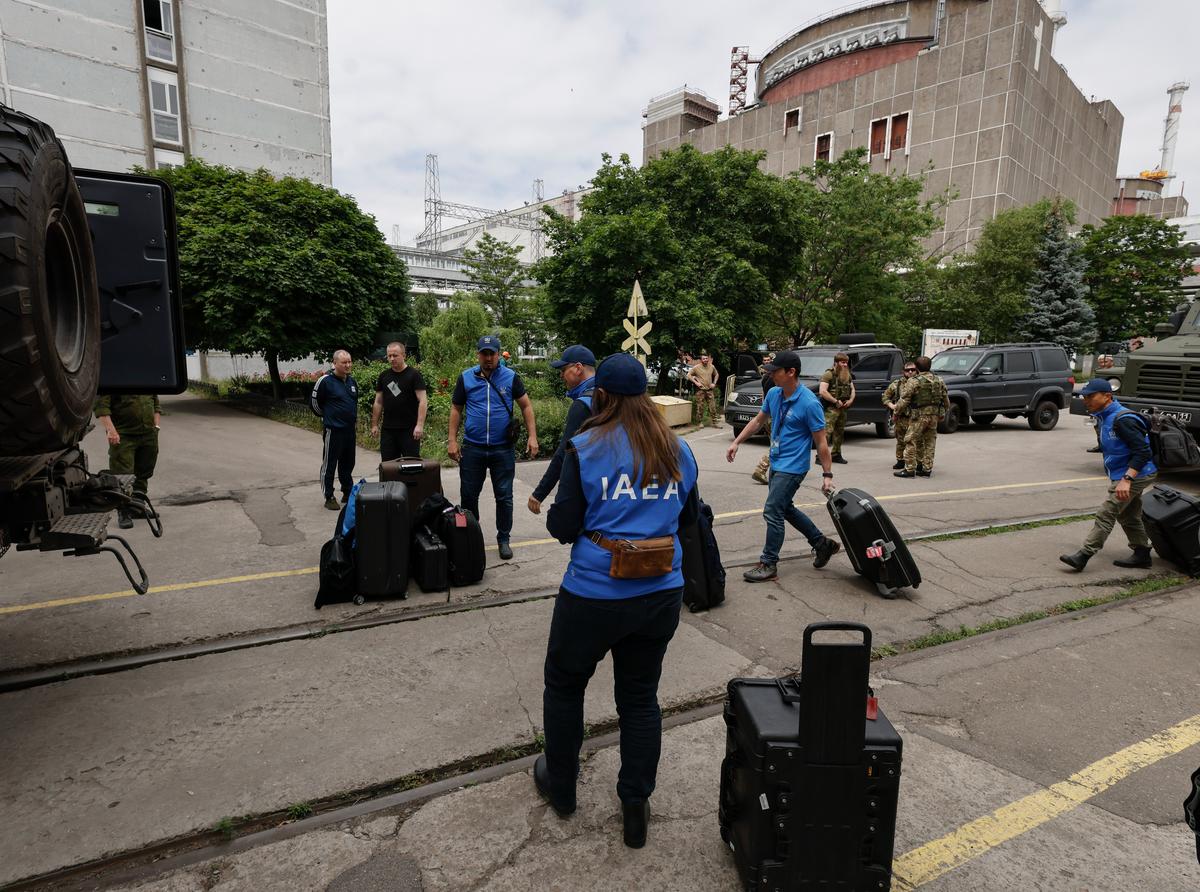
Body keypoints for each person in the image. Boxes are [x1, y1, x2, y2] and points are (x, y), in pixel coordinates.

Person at [537, 352, 699, 849]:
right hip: (660, 594)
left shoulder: (584, 445)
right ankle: (635, 802)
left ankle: (561, 788)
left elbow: (562, 526)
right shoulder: (678, 449)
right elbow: (689, 522)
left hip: (593, 594)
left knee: (565, 687)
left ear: (600, 394)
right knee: (639, 698)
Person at [727, 350, 840, 582]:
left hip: (794, 467)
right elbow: (759, 420)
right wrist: (737, 442)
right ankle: (822, 544)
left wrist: (827, 473)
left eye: (775, 371)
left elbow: (821, 442)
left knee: (772, 510)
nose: (771, 375)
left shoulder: (810, 403)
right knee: (784, 508)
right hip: (777, 461)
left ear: (791, 372)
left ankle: (769, 563)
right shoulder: (775, 394)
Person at [448, 335, 539, 560]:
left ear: (499, 354)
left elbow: (526, 406)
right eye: (484, 353)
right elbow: (456, 409)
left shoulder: (511, 377)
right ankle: (472, 537)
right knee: (468, 496)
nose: (488, 358)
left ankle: (504, 539)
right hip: (473, 448)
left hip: (502, 449)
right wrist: (452, 440)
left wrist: (532, 436)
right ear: (478, 354)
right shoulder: (466, 377)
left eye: (492, 353)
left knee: (504, 497)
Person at [1059, 379, 1158, 571]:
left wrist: (1127, 480)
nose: (1086, 400)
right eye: (1084, 397)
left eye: (1091, 396)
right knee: (1129, 515)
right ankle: (1142, 554)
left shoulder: (1123, 419)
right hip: (1124, 473)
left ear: (1107, 396)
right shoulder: (1105, 416)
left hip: (1135, 474)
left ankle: (1084, 556)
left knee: (1107, 512)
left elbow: (1143, 452)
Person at [528, 345, 596, 514]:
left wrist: (539, 493)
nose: (560, 375)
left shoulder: (583, 405)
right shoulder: (608, 394)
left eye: (563, 369)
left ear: (578, 368)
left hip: (591, 485)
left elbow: (565, 452)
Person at [94, 394, 161, 529]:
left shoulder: (147, 378)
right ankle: (123, 511)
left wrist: (156, 426)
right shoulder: (115, 379)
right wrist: (111, 430)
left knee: (144, 471)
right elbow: (102, 408)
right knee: (122, 475)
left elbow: (156, 405)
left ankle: (138, 506)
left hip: (148, 434)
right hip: (123, 435)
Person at [311, 350, 360, 510]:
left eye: (349, 362)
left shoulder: (352, 382)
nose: (347, 365)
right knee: (329, 463)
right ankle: (329, 496)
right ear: (335, 363)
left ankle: (347, 491)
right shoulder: (325, 381)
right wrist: (328, 418)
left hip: (349, 431)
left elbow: (353, 403)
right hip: (333, 430)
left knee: (348, 463)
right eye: (344, 362)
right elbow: (315, 405)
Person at [370, 341, 428, 460]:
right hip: (388, 430)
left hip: (409, 430)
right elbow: (378, 402)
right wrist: (374, 424)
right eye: (389, 356)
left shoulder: (414, 375)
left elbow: (423, 401)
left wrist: (420, 425)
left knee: (411, 465)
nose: (392, 359)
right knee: (388, 465)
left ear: (404, 355)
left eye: (395, 355)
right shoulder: (384, 376)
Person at [893, 356, 948, 478]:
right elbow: (945, 400)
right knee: (930, 442)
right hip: (933, 417)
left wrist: (896, 413)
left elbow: (904, 400)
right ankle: (927, 469)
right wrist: (942, 413)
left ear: (917, 368)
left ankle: (910, 469)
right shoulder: (939, 380)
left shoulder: (914, 381)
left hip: (919, 417)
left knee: (910, 440)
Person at [817, 353, 854, 464]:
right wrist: (835, 401)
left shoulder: (847, 375)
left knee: (840, 432)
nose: (845, 365)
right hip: (831, 408)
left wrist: (850, 400)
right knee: (826, 432)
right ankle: (820, 457)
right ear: (836, 363)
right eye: (842, 362)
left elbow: (853, 389)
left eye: (846, 362)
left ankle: (836, 454)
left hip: (843, 408)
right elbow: (822, 391)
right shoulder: (829, 374)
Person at [882, 361, 917, 470]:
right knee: (900, 441)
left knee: (915, 441)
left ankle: (914, 462)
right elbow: (885, 396)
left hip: (915, 418)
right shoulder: (897, 384)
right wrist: (892, 406)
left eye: (913, 370)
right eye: (907, 370)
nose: (910, 372)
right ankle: (900, 460)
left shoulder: (920, 383)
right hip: (901, 417)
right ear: (903, 371)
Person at [751, 353, 775, 485]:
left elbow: (763, 394)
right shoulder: (773, 379)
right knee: (778, 444)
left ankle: (777, 470)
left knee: (776, 443)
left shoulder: (766, 377)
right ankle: (761, 469)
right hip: (772, 415)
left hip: (767, 414)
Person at [687, 351, 721, 427]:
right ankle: (700, 422)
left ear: (708, 359)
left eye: (706, 358)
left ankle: (715, 422)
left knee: (712, 407)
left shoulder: (711, 366)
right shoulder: (696, 367)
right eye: (704, 359)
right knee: (700, 407)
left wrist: (714, 383)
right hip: (700, 391)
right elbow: (689, 375)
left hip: (709, 390)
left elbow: (716, 374)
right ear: (701, 360)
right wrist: (696, 382)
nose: (705, 360)